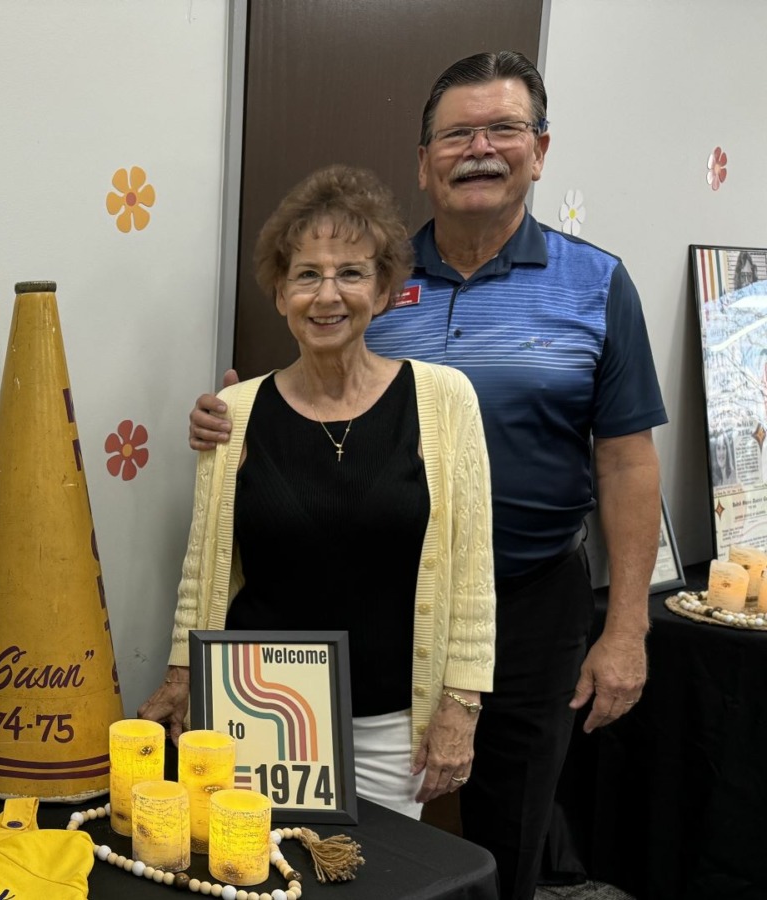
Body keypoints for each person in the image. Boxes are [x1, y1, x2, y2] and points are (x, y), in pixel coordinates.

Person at [182, 51, 666, 900]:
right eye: (456, 134)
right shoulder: (373, 271)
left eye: (504, 128)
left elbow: (627, 461)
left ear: (540, 151)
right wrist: (227, 418)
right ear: (424, 160)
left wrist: (627, 630)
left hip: (527, 602)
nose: (480, 148)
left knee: (506, 839)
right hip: (382, 613)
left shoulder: (596, 283)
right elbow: (305, 403)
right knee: (347, 859)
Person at [138, 164, 496, 822]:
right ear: (280, 294)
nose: (326, 295)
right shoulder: (234, 412)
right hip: (252, 712)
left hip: (388, 728)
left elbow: (472, 572)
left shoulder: (444, 402)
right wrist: (183, 673)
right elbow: (206, 568)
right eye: (306, 274)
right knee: (248, 875)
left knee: (370, 879)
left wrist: (461, 705)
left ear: (386, 289)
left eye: (351, 273)